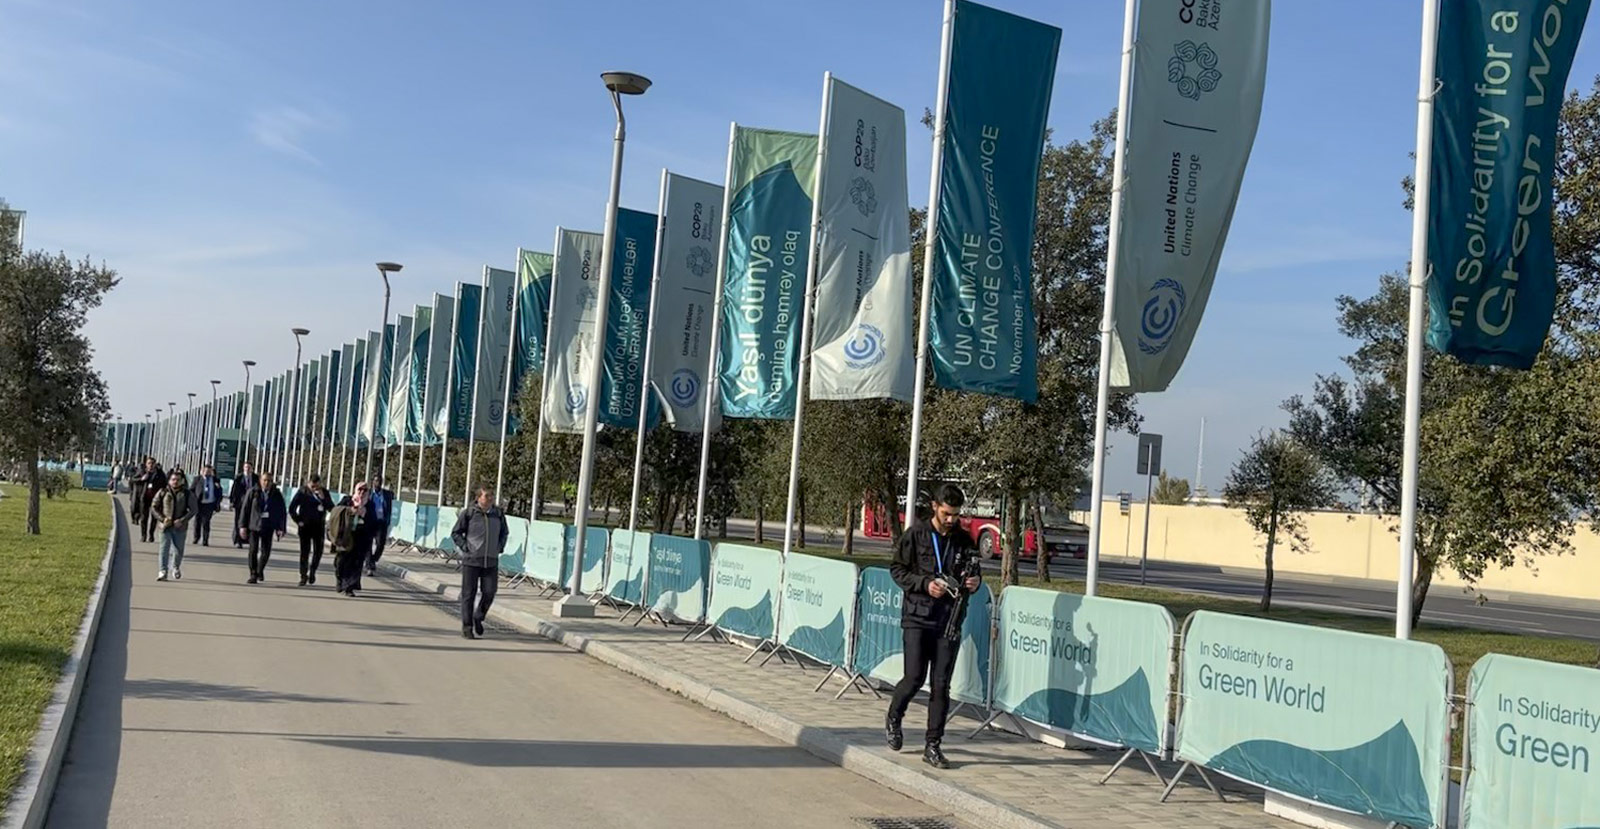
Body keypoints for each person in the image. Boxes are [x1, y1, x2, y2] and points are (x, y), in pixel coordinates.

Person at [885, 483, 982, 770]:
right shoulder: (915, 535)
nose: (951, 519)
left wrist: (975, 584)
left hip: (948, 620)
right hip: (917, 617)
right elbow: (897, 570)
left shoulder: (964, 540)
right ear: (935, 507)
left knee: (941, 685)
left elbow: (974, 573)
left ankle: (933, 745)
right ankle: (894, 716)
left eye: (956, 514)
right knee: (914, 677)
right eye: (946, 513)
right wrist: (925, 584)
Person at [451, 486, 508, 640]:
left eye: (491, 496)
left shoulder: (498, 514)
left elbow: (504, 532)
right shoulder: (469, 513)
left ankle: (479, 615)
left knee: (490, 592)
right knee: (468, 595)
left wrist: (499, 546)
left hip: (491, 561)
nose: (489, 499)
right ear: (478, 498)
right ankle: (467, 627)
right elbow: (456, 533)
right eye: (486, 496)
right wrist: (465, 547)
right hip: (472, 560)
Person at [235, 471, 286, 584]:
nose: (267, 483)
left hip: (269, 526)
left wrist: (281, 528)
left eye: (269, 480)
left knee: (265, 552)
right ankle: (253, 574)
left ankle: (259, 569)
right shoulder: (253, 492)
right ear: (260, 481)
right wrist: (242, 526)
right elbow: (245, 510)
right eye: (264, 480)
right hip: (254, 525)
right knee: (253, 550)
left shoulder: (276, 494)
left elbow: (282, 512)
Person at [150, 469, 196, 581]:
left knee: (178, 550)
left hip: (180, 526)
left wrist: (182, 520)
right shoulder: (163, 492)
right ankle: (163, 571)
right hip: (165, 525)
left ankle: (175, 567)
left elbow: (194, 509)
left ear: (182, 481)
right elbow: (154, 507)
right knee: (164, 549)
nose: (175, 482)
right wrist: (162, 519)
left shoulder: (187, 493)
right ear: (169, 480)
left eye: (177, 480)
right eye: (173, 479)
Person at [333, 482, 379, 596]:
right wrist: (350, 511)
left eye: (365, 490)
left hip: (361, 536)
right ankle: (340, 579)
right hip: (346, 536)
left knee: (356, 563)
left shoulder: (369, 505)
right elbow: (336, 511)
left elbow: (373, 521)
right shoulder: (347, 500)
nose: (362, 493)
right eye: (360, 490)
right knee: (340, 561)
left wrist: (364, 515)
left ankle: (349, 587)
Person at [290, 473, 335, 586]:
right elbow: (292, 508)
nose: (314, 488)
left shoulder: (324, 492)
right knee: (305, 552)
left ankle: (313, 571)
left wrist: (323, 498)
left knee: (318, 551)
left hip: (319, 526)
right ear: (308, 483)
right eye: (312, 486)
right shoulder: (303, 492)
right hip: (305, 526)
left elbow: (331, 508)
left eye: (317, 485)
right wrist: (298, 520)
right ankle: (303, 575)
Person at [366, 475, 396, 576]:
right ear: (373, 482)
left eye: (379, 481)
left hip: (381, 522)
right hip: (370, 521)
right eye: (375, 481)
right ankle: (369, 566)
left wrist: (388, 521)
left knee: (380, 544)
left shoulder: (387, 494)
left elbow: (389, 508)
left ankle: (373, 560)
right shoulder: (369, 493)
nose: (377, 483)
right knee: (368, 544)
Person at [189, 464, 223, 546]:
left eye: (209, 471)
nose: (206, 473)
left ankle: (205, 539)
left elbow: (219, 492)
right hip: (199, 503)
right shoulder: (197, 479)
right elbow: (191, 490)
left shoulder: (215, 480)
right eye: (205, 471)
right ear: (202, 471)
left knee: (206, 522)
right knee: (197, 521)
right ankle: (196, 537)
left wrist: (218, 502)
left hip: (209, 504)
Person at [135, 457, 166, 543]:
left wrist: (162, 493)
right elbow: (133, 480)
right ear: (146, 464)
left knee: (154, 518)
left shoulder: (160, 474)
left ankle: (151, 534)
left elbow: (165, 484)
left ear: (155, 464)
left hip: (156, 500)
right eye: (149, 463)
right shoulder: (142, 472)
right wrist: (141, 479)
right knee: (144, 518)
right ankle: (143, 535)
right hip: (144, 498)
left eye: (152, 463)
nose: (151, 465)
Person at [229, 462, 259, 548]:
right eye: (246, 467)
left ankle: (247, 540)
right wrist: (232, 502)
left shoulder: (256, 478)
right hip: (240, 504)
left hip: (251, 504)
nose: (247, 469)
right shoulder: (239, 478)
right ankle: (237, 540)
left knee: (249, 522)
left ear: (252, 469)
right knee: (238, 522)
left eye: (249, 467)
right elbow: (234, 490)